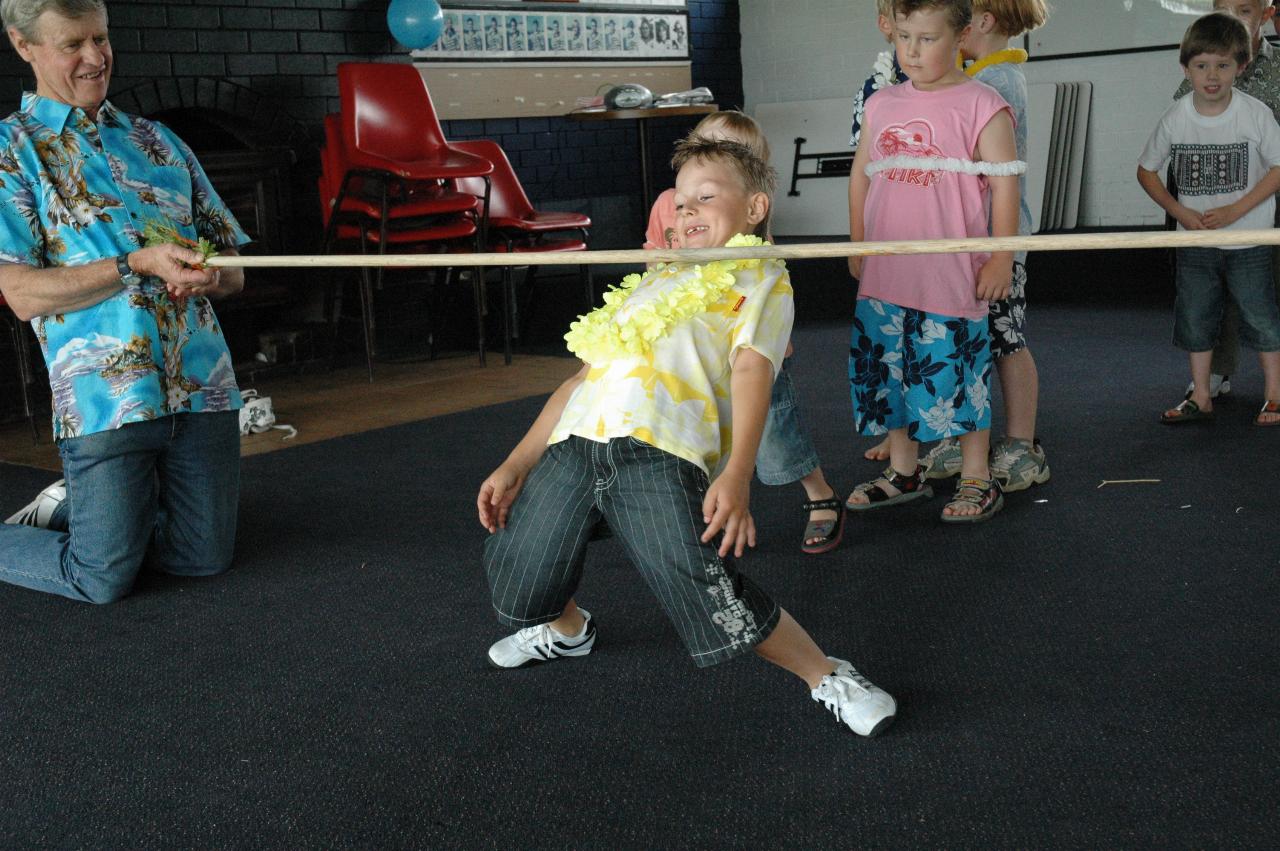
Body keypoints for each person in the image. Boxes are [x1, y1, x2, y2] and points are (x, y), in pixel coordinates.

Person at [477, 137, 897, 738]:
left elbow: (753, 369)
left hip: (660, 449)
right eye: (679, 203)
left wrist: (737, 474)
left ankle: (826, 675)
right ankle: (569, 632)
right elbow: (578, 381)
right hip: (575, 444)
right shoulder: (650, 284)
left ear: (754, 209)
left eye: (707, 197)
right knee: (523, 565)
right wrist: (517, 462)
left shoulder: (760, 278)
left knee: (702, 585)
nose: (687, 211)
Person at [0, 0, 250, 602]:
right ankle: (88, 519)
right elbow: (20, 294)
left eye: (101, 39)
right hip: (107, 401)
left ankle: (93, 513)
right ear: (23, 46)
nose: (95, 59)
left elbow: (235, 271)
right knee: (102, 578)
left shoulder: (157, 141)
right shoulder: (12, 151)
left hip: (202, 387)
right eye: (72, 45)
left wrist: (208, 277)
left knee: (202, 561)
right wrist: (133, 264)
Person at [845, 0, 1022, 523]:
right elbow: (861, 174)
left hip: (949, 277)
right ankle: (904, 471)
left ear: (962, 36)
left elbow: (1007, 186)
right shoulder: (882, 103)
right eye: (904, 37)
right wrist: (858, 242)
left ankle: (975, 478)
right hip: (885, 274)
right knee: (888, 373)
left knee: (960, 378)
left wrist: (1000, 259)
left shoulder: (982, 103)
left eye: (927, 38)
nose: (912, 51)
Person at [645, 111, 845, 553]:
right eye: (707, 147)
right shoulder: (670, 204)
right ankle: (726, 508)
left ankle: (820, 493)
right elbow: (655, 265)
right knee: (707, 436)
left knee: (776, 436)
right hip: (698, 352)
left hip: (751, 348)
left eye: (735, 155)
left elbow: (765, 286)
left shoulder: (749, 216)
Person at [906, 0, 1050, 492]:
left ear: (980, 25)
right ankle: (967, 434)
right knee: (966, 342)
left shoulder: (996, 83)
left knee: (1006, 338)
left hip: (994, 241)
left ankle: (1022, 443)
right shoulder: (976, 76)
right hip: (962, 240)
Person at [1138, 11, 1280, 426]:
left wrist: (1238, 209)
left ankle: (1274, 394)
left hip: (1251, 240)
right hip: (1195, 244)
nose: (1212, 76)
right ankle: (1201, 395)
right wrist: (1180, 212)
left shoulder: (1255, 114)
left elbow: (1277, 168)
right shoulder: (1177, 116)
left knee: (1260, 316)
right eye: (1201, 66)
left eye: (1223, 65)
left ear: (1242, 66)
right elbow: (1146, 170)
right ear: (1186, 68)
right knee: (1196, 317)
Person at [1173, 0, 1280, 401]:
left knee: (1263, 296)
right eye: (1222, 8)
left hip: (1271, 194)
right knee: (1213, 289)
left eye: (1244, 10)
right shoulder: (1199, 72)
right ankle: (1214, 374)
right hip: (1218, 202)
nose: (1232, 18)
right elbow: (1182, 133)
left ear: (1267, 14)